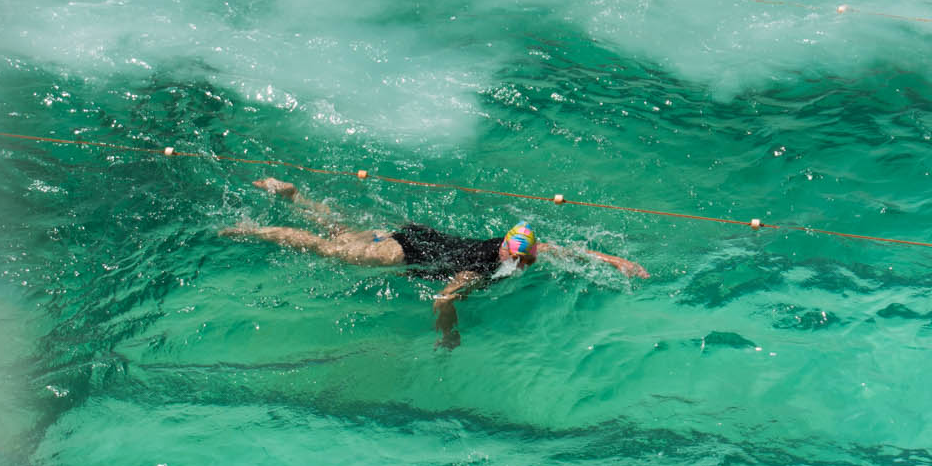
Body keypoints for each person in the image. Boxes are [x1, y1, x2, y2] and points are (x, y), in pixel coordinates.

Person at [220, 178, 647, 345]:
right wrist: (450, 335)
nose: (526, 264)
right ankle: (255, 230)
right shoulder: (479, 271)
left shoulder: (518, 251)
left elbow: (566, 250)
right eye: (521, 260)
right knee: (328, 249)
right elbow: (442, 300)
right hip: (402, 251)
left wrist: (615, 261)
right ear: (506, 253)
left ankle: (295, 195)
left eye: (528, 258)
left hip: (423, 235)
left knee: (338, 233)